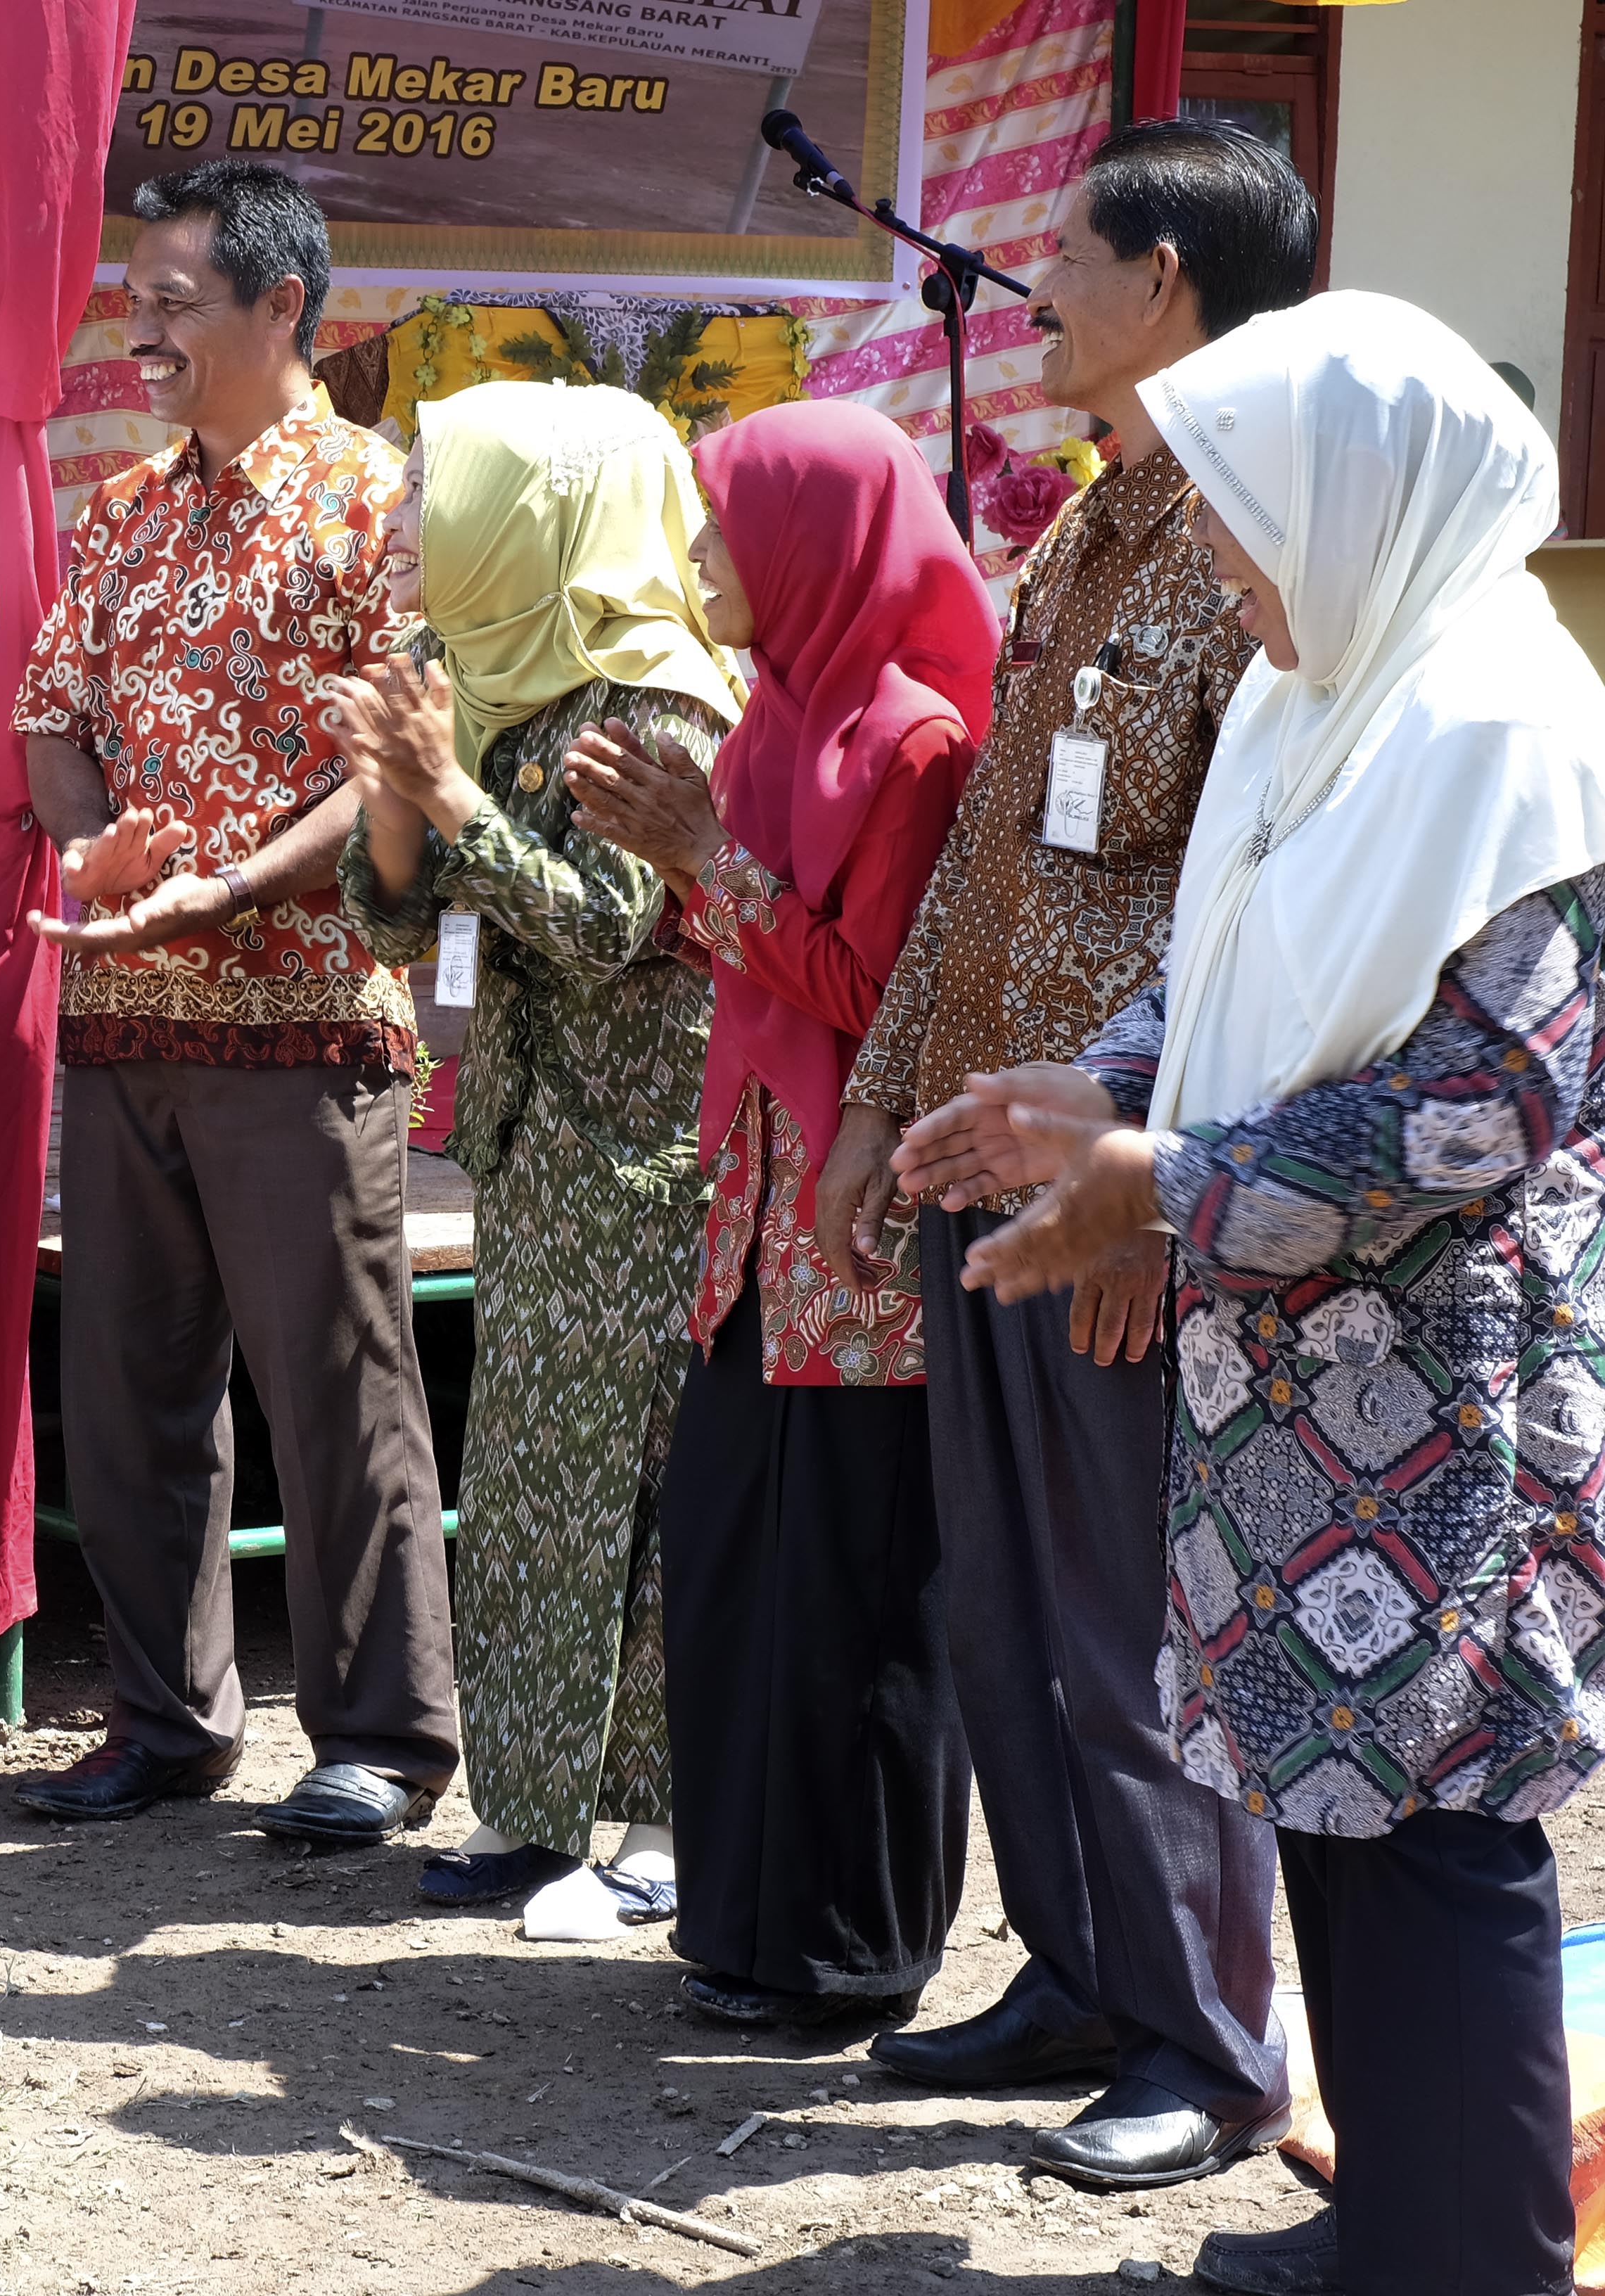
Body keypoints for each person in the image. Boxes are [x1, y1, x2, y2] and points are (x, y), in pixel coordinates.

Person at [898, 292, 1605, 2296]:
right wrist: (1099, 1087)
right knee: (1330, 1809)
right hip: (1283, 1394)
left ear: (1360, 500)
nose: (1216, 554)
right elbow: (1226, 971)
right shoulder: (1320, 708)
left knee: (1440, 1827)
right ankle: (1395, 2221)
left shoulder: (1521, 741)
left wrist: (1169, 1183)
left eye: (1239, 508)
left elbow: (1486, 1107)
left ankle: (1473, 2261)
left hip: (1445, 1405)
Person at [826, 120, 1316, 2187]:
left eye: (1069, 259)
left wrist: (1142, 1182)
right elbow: (985, 861)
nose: (1032, 294)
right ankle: (1079, 1972)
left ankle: (1208, 2048)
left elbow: (1247, 910)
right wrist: (881, 1101)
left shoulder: (1261, 540)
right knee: (1010, 1609)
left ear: (1168, 284)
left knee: (1130, 1625)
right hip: (983, 1149)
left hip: (1116, 1178)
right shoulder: (1095, 524)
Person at [5, 160, 459, 1848]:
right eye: (132, 303)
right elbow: (53, 716)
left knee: (334, 1386)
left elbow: (399, 760)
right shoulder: (124, 506)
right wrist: (95, 853)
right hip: (128, 1008)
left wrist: (240, 885)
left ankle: (384, 1739)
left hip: (304, 1011)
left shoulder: (379, 505)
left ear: (284, 308)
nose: (141, 333)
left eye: (173, 304)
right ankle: (165, 1719)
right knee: (130, 1391)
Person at [567, 399, 995, 2025]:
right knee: (735, 1566)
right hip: (755, 1226)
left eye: (725, 527)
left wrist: (706, 857)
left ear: (816, 544)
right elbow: (745, 957)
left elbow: (883, 1002)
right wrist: (683, 856)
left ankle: (851, 1953)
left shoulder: (914, 745)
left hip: (861, 1238)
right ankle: (742, 1929)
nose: (698, 559)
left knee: (852, 1594)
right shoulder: (773, 724)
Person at [326, 382, 741, 1938]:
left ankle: (660, 1832)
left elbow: (605, 928)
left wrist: (445, 792)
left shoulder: (657, 706)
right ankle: (529, 1807)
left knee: (636, 1499)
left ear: (531, 516)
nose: (404, 516)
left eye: (434, 487)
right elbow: (396, 925)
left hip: (639, 1168)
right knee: (527, 1496)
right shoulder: (490, 684)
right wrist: (394, 796)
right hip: (529, 1155)